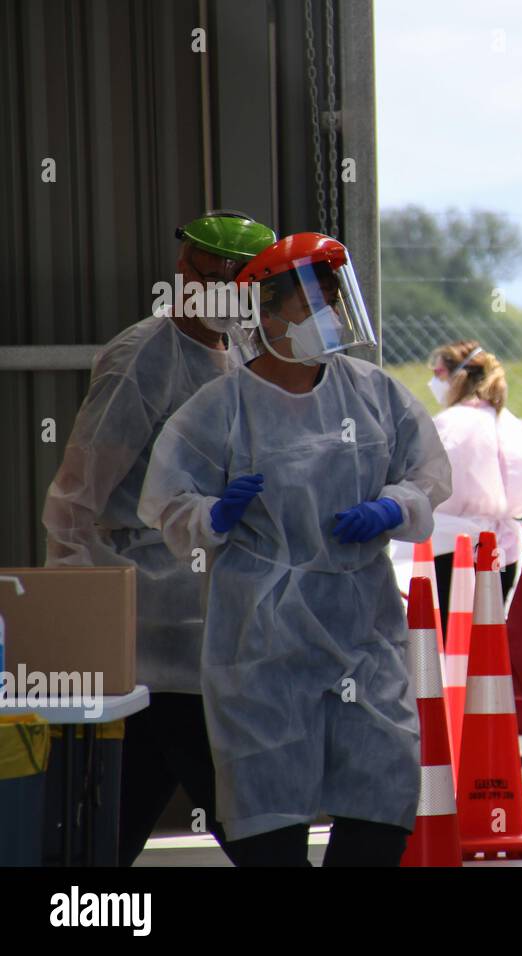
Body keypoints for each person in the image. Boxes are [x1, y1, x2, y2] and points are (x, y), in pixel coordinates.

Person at [137, 233, 452, 866]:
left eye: (333, 296)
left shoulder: (372, 393)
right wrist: (214, 515)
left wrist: (395, 505)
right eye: (313, 300)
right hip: (262, 643)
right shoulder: (221, 407)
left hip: (364, 631)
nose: (329, 313)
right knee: (269, 825)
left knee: (381, 800)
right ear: (269, 311)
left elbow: (429, 474)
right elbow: (167, 503)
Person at [41, 210, 276, 866]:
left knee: (127, 805)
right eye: (190, 271)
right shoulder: (145, 356)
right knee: (232, 795)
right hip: (152, 621)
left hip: (202, 621)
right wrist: (82, 620)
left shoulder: (235, 354)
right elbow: (75, 500)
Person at [425, 341, 522, 626]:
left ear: (455, 375)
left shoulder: (449, 423)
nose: (433, 382)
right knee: (490, 645)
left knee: (453, 646)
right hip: (503, 552)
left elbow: (429, 485)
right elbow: (521, 498)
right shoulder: (510, 424)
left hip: (449, 551)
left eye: (437, 373)